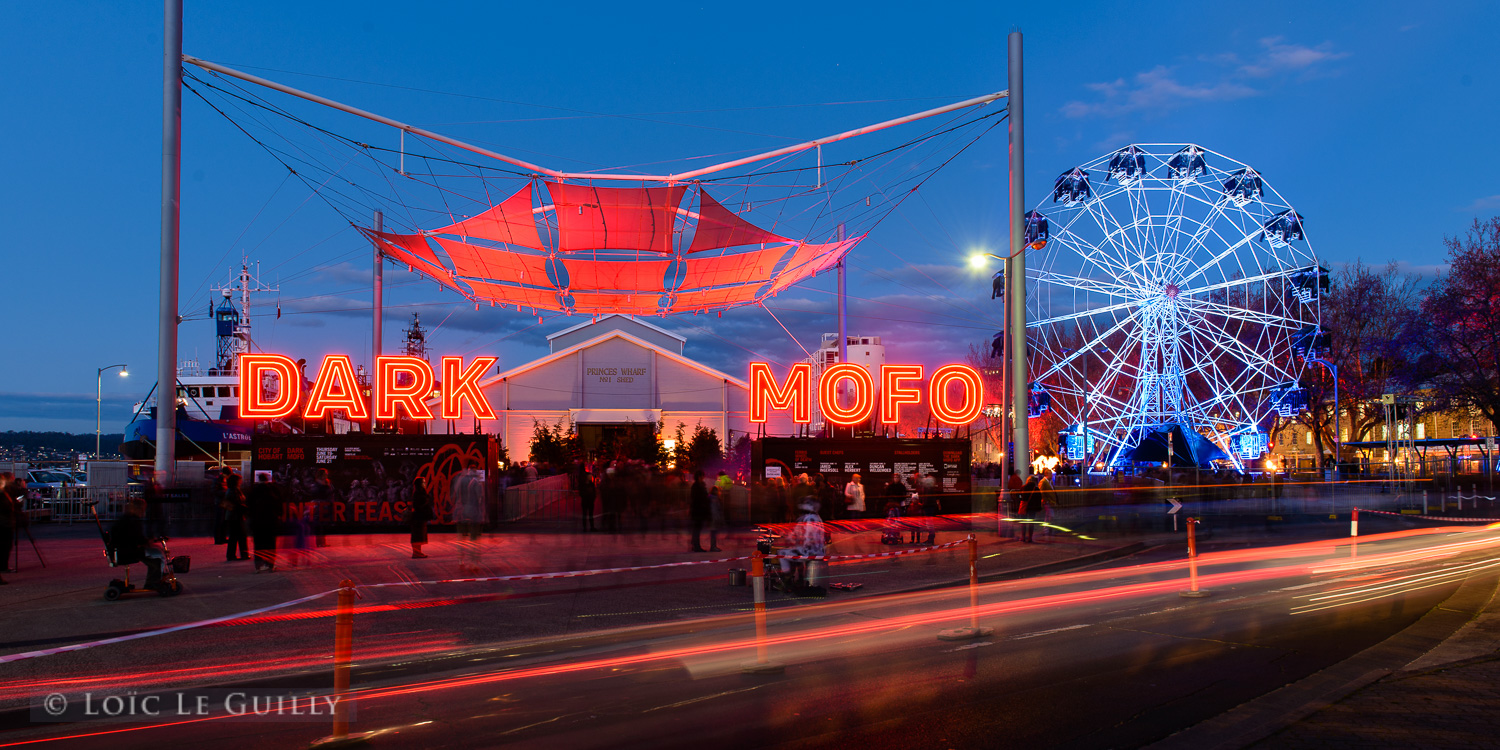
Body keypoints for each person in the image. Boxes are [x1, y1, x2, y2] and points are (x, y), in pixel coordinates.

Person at [110, 498, 164, 588]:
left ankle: (152, 580)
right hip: (127, 551)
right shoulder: (133, 520)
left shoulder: (125, 518)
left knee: (153, 556)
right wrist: (150, 541)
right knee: (159, 555)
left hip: (120, 549)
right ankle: (154, 581)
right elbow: (138, 539)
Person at [451, 459, 487, 572]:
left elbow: (454, 494)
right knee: (474, 539)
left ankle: (460, 559)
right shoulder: (476, 481)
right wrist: (483, 514)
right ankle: (474, 562)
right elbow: (480, 497)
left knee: (461, 537)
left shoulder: (459, 479)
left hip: (460, 512)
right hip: (473, 512)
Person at [246, 473, 284, 573]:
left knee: (258, 544)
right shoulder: (273, 490)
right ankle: (270, 565)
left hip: (257, 521)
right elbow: (279, 505)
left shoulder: (253, 490)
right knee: (270, 544)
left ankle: (258, 566)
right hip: (271, 521)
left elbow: (248, 506)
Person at [222, 473, 249, 562]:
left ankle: (233, 555)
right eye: (239, 480)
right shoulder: (234, 491)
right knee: (239, 536)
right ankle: (241, 554)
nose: (241, 482)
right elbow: (237, 504)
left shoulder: (233, 490)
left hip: (234, 516)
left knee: (235, 536)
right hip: (235, 517)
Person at [408, 476, 433, 559]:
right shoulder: (418, 493)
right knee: (417, 536)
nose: (425, 484)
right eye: (423, 482)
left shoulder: (421, 492)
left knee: (419, 535)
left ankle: (418, 552)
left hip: (421, 517)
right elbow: (417, 505)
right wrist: (425, 504)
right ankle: (416, 553)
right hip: (418, 517)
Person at [0, 472, 18, 582]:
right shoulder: (4, 494)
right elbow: (14, 503)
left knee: (6, 546)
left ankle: (3, 565)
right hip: (3, 524)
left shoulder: (6, 492)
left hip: (6, 523)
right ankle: (3, 565)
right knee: (4, 546)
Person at [689, 470, 710, 552]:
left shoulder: (697, 486)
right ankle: (696, 545)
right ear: (699, 477)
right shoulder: (697, 486)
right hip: (698, 510)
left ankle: (695, 544)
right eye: (702, 476)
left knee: (697, 528)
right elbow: (698, 498)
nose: (703, 478)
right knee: (697, 528)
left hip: (697, 510)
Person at [1019, 473, 1042, 543]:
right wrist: (1038, 509)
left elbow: (1020, 496)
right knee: (1031, 523)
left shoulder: (1023, 487)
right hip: (1032, 508)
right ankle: (1030, 538)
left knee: (1023, 523)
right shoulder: (1037, 489)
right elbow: (1039, 499)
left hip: (1025, 507)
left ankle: (1023, 537)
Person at [577, 464, 597, 532]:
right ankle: (585, 527)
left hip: (590, 501)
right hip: (586, 500)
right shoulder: (584, 485)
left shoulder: (591, 484)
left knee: (590, 514)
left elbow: (594, 492)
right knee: (585, 514)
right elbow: (582, 492)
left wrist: (593, 497)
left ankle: (591, 527)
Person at [707, 485, 726, 552]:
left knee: (713, 532)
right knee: (714, 532)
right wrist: (717, 518)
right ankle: (713, 546)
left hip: (711, 517)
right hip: (714, 518)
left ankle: (713, 546)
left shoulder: (709, 498)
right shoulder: (715, 499)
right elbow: (715, 510)